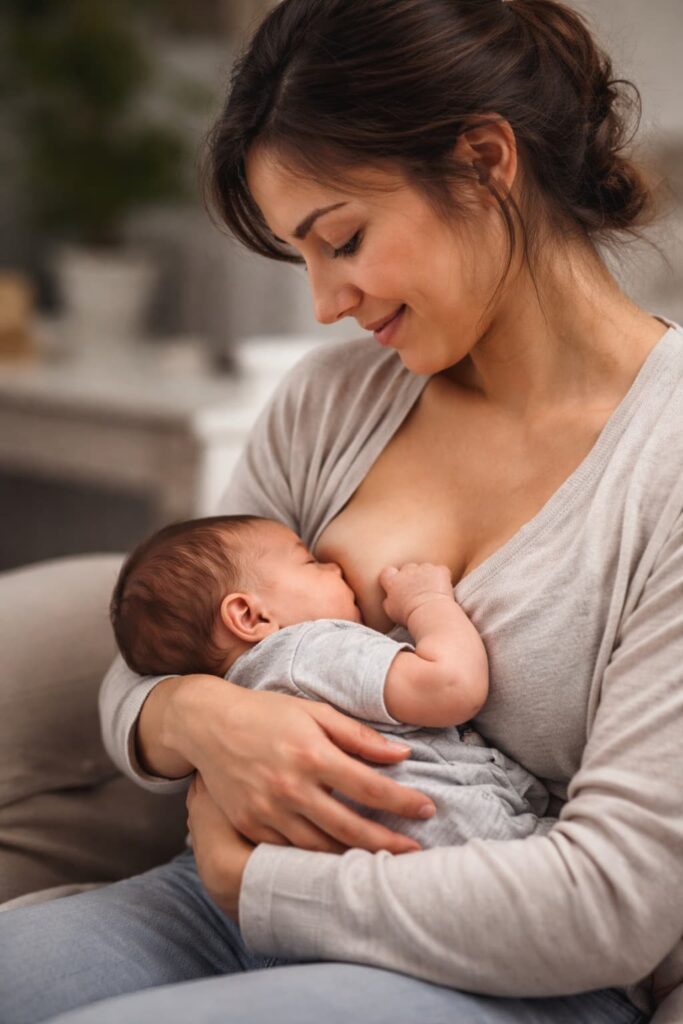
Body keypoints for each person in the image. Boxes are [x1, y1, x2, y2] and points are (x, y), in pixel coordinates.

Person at [0, 0, 680, 1021]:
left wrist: (261, 886)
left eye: (343, 238)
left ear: (484, 161)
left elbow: (611, 902)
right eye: (302, 256)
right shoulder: (332, 402)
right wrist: (201, 714)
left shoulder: (663, 459)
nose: (325, 302)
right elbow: (147, 666)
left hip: (505, 966)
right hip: (213, 901)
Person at [109, 513, 551, 847]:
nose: (337, 569)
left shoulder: (247, 690)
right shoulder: (307, 651)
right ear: (250, 615)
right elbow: (451, 687)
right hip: (462, 838)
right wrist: (427, 603)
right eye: (312, 562)